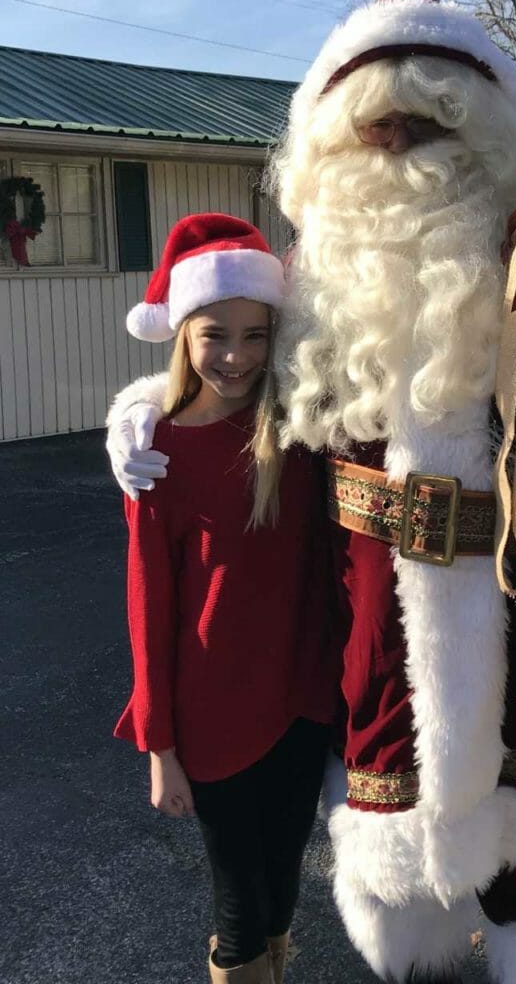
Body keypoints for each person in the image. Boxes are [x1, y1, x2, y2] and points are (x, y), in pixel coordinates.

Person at [107, 0, 516, 984]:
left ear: (478, 129)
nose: (398, 148)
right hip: (367, 604)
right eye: (375, 130)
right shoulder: (316, 272)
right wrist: (153, 413)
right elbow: (240, 375)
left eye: (424, 124)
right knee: (395, 849)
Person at [112, 213, 338, 984]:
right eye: (214, 335)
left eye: (255, 335)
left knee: (281, 889)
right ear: (182, 334)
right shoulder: (156, 456)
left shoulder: (302, 438)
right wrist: (159, 748)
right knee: (239, 903)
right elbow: (150, 612)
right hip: (212, 723)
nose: (236, 355)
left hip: (302, 704)